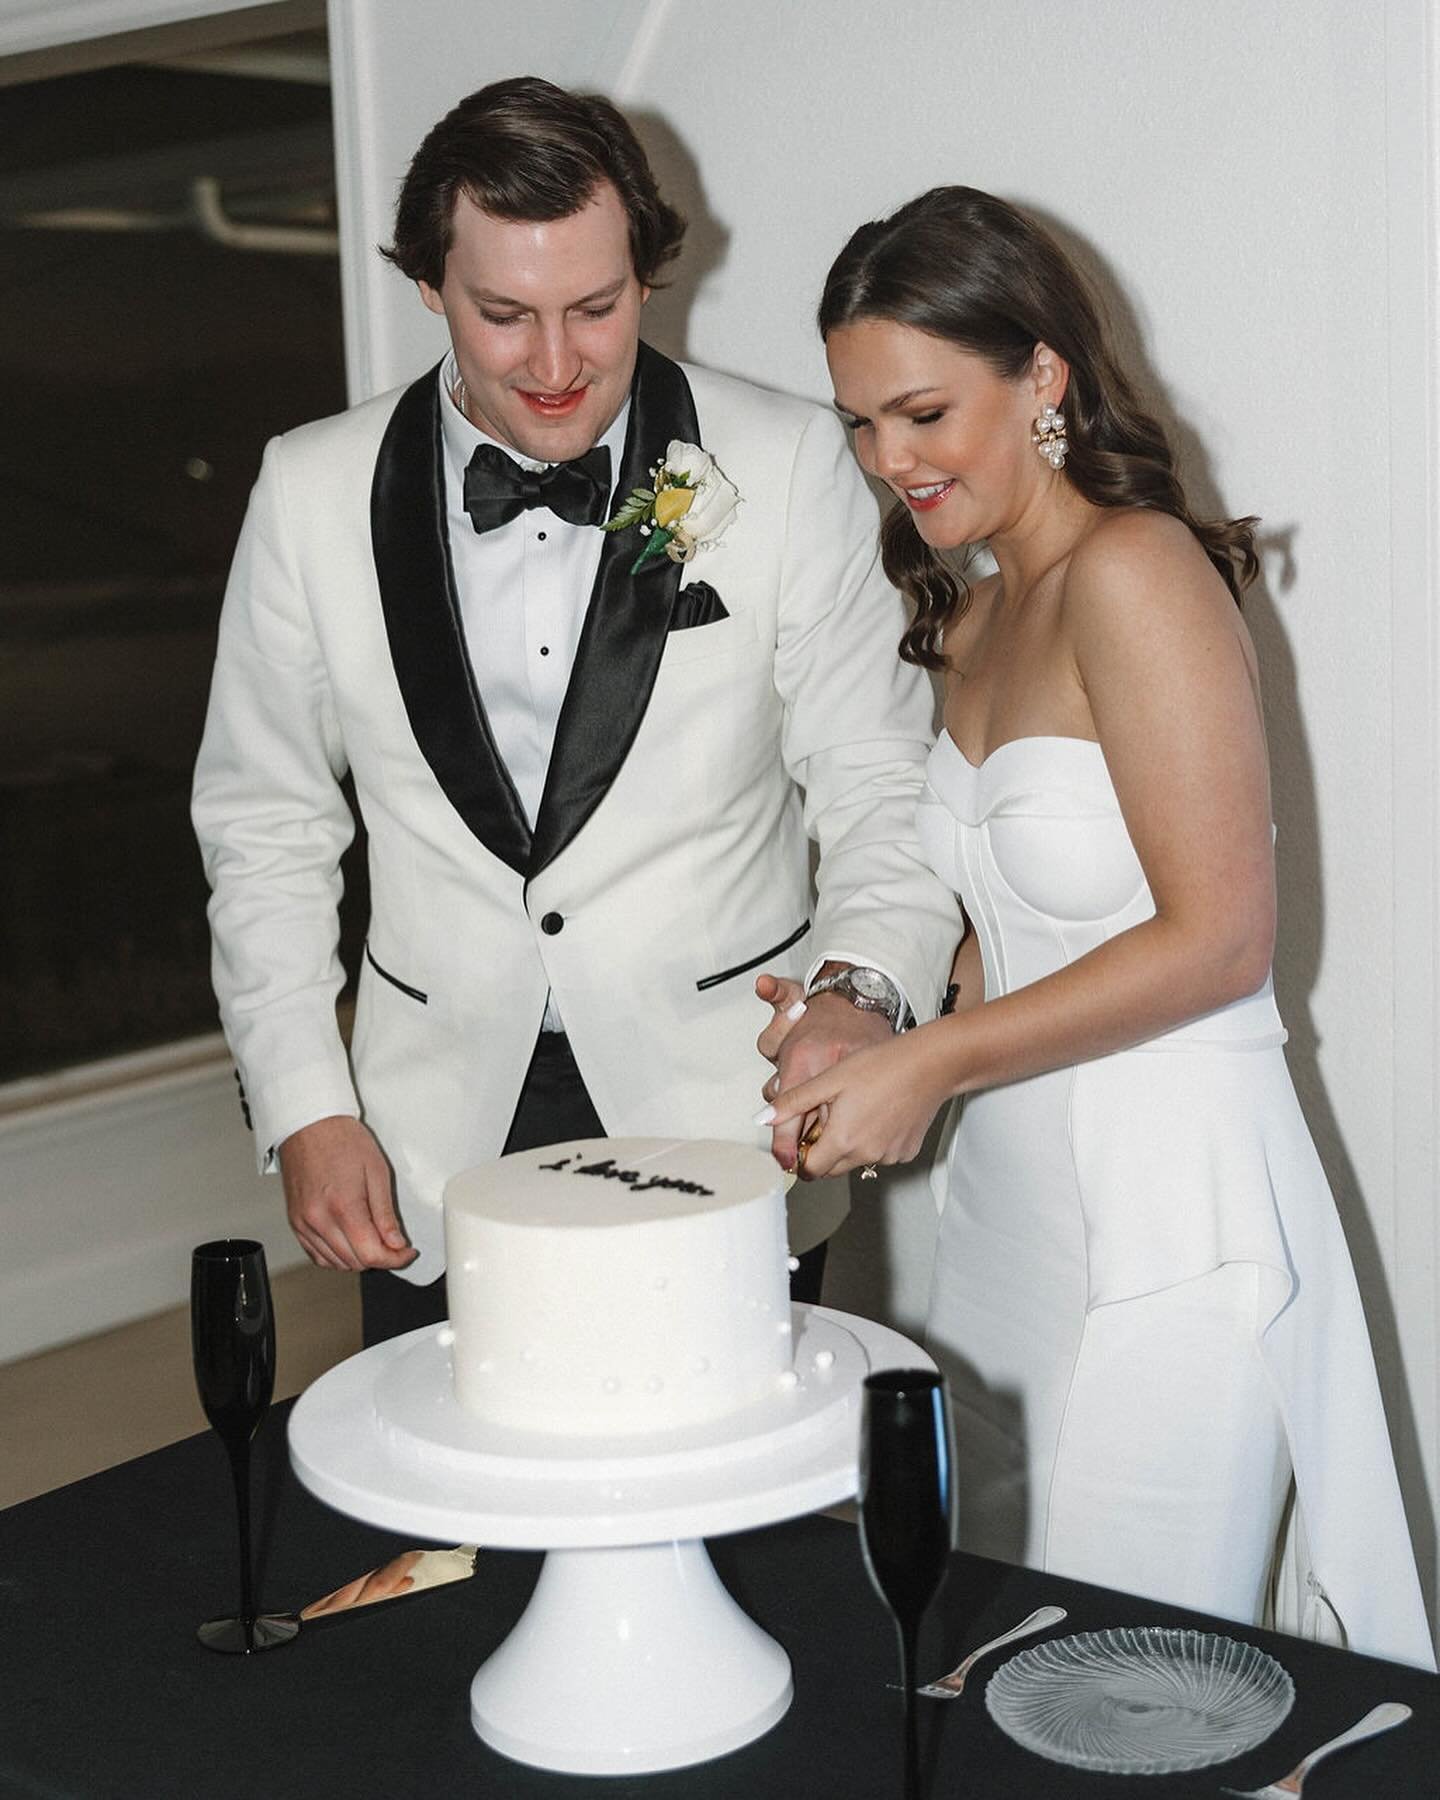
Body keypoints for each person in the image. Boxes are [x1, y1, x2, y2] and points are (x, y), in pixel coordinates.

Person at [760, 186, 1434, 1666]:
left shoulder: (1140, 571)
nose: (891, 461)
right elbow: (1013, 936)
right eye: (861, 422)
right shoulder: (979, 610)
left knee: (1133, 1676)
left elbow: (1218, 941)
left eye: (924, 411)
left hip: (1170, 1203)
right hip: (1010, 1206)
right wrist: (867, 1019)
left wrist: (932, 1068)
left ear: (1043, 375)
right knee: (1008, 1646)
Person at [190, 77, 959, 1346]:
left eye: (595, 309)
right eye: (505, 314)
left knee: (725, 1526)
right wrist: (304, 1101)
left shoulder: (788, 462)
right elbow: (264, 824)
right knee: (457, 1531)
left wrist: (862, 991)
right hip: (426, 1140)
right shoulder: (307, 488)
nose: (555, 365)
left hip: (729, 1110)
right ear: (430, 287)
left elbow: (880, 781)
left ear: (647, 279)